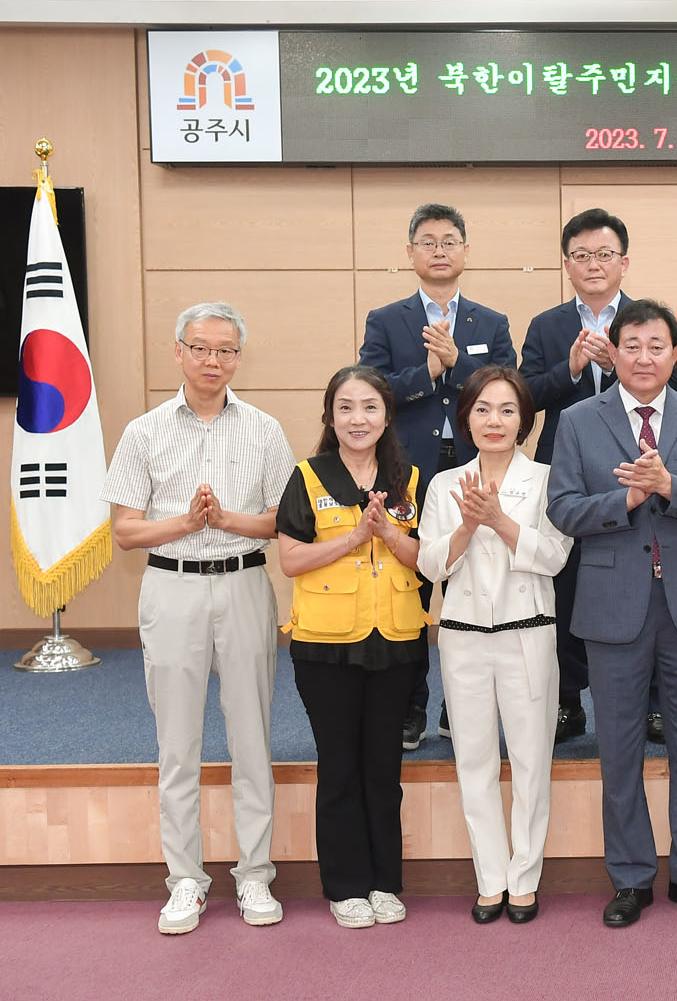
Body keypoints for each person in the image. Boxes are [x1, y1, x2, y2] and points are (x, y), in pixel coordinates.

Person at [102, 302, 296, 935]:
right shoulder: (145, 431)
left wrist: (224, 519)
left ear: (239, 357)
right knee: (177, 746)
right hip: (172, 589)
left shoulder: (264, 429)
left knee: (251, 739)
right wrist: (186, 523)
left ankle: (255, 874)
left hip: (243, 586)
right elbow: (126, 532)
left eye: (226, 350)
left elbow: (284, 520)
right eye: (201, 348)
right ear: (178, 351)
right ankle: (184, 880)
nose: (213, 360)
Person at [546, 300, 677, 928]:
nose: (644, 357)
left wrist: (671, 488)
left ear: (676, 353)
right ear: (613, 352)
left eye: (657, 346)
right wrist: (623, 500)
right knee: (619, 749)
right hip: (612, 605)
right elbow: (562, 508)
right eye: (632, 346)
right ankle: (629, 877)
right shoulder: (578, 420)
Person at [417, 367, 572, 925]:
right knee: (474, 760)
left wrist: (499, 521)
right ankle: (490, 879)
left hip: (527, 632)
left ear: (524, 420)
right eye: (482, 409)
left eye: (507, 410)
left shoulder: (548, 479)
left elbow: (555, 557)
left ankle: (524, 879)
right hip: (463, 639)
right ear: (466, 418)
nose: (494, 421)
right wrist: (466, 526)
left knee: (531, 761)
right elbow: (429, 564)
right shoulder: (444, 484)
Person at [360, 202, 516, 751]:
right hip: (410, 472)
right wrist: (427, 372)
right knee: (412, 585)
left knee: (476, 579)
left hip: (476, 469)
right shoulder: (386, 320)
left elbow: (508, 390)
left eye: (449, 241)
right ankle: (411, 707)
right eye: (428, 242)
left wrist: (459, 365)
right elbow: (369, 392)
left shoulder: (491, 322)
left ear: (466, 251)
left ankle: (461, 705)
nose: (439, 250)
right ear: (410, 253)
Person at [276, 365, 427, 930]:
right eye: (345, 407)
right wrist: (355, 537)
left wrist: (388, 534)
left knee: (384, 768)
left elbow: (427, 560)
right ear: (330, 417)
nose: (357, 418)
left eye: (369, 407)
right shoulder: (307, 477)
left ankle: (385, 882)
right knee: (339, 767)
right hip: (325, 647)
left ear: (386, 416)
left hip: (396, 641)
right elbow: (291, 560)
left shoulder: (410, 479)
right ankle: (344, 886)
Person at [520, 208, 677, 745]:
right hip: (567, 469)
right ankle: (567, 702)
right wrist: (568, 369)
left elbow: (668, 384)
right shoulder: (546, 325)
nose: (593, 264)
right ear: (567, 264)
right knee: (563, 584)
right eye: (582, 255)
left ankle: (653, 703)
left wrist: (616, 367)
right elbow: (525, 397)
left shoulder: (645, 319)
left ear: (624, 262)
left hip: (638, 465)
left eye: (604, 254)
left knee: (646, 580)